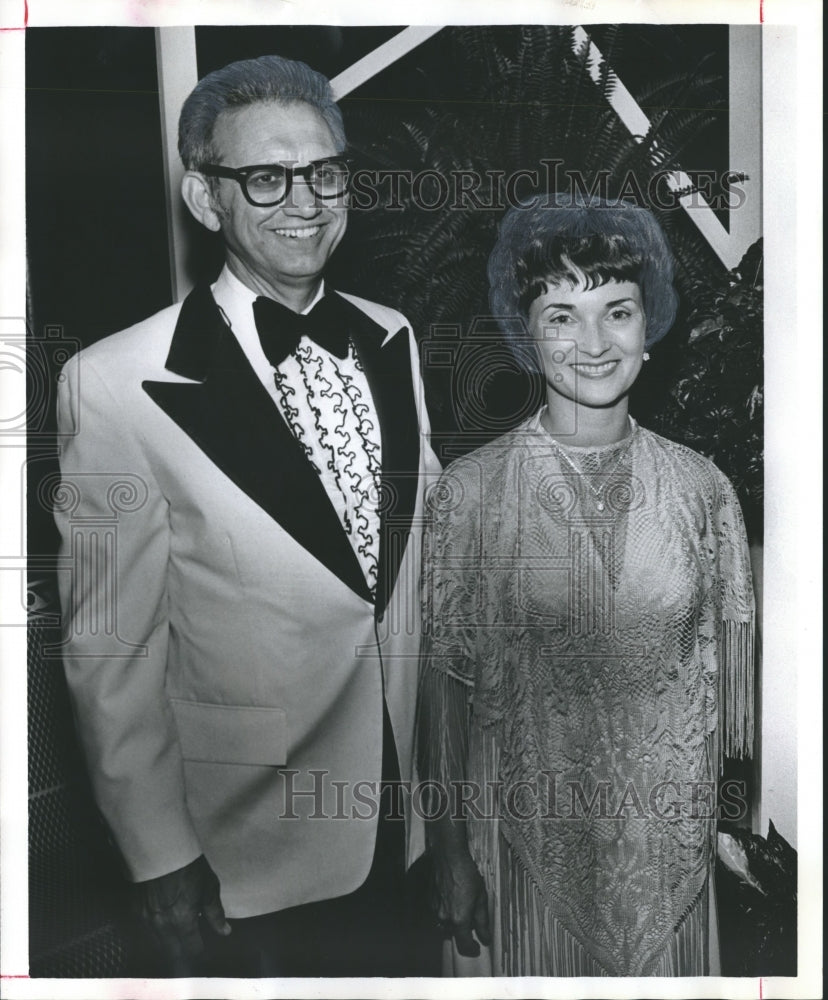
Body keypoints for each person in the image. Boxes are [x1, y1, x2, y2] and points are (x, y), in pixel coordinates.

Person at [54, 55, 441, 977]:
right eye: (266, 177)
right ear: (203, 196)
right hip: (246, 858)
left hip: (403, 820)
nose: (305, 201)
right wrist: (160, 856)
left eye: (325, 171)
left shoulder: (392, 336)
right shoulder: (110, 384)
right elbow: (110, 650)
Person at [417, 196, 755, 976]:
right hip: (518, 854)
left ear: (650, 326)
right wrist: (447, 851)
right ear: (525, 334)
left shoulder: (705, 489)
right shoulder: (470, 493)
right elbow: (442, 690)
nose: (595, 343)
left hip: (672, 860)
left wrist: (730, 827)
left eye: (618, 311)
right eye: (562, 315)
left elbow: (735, 685)